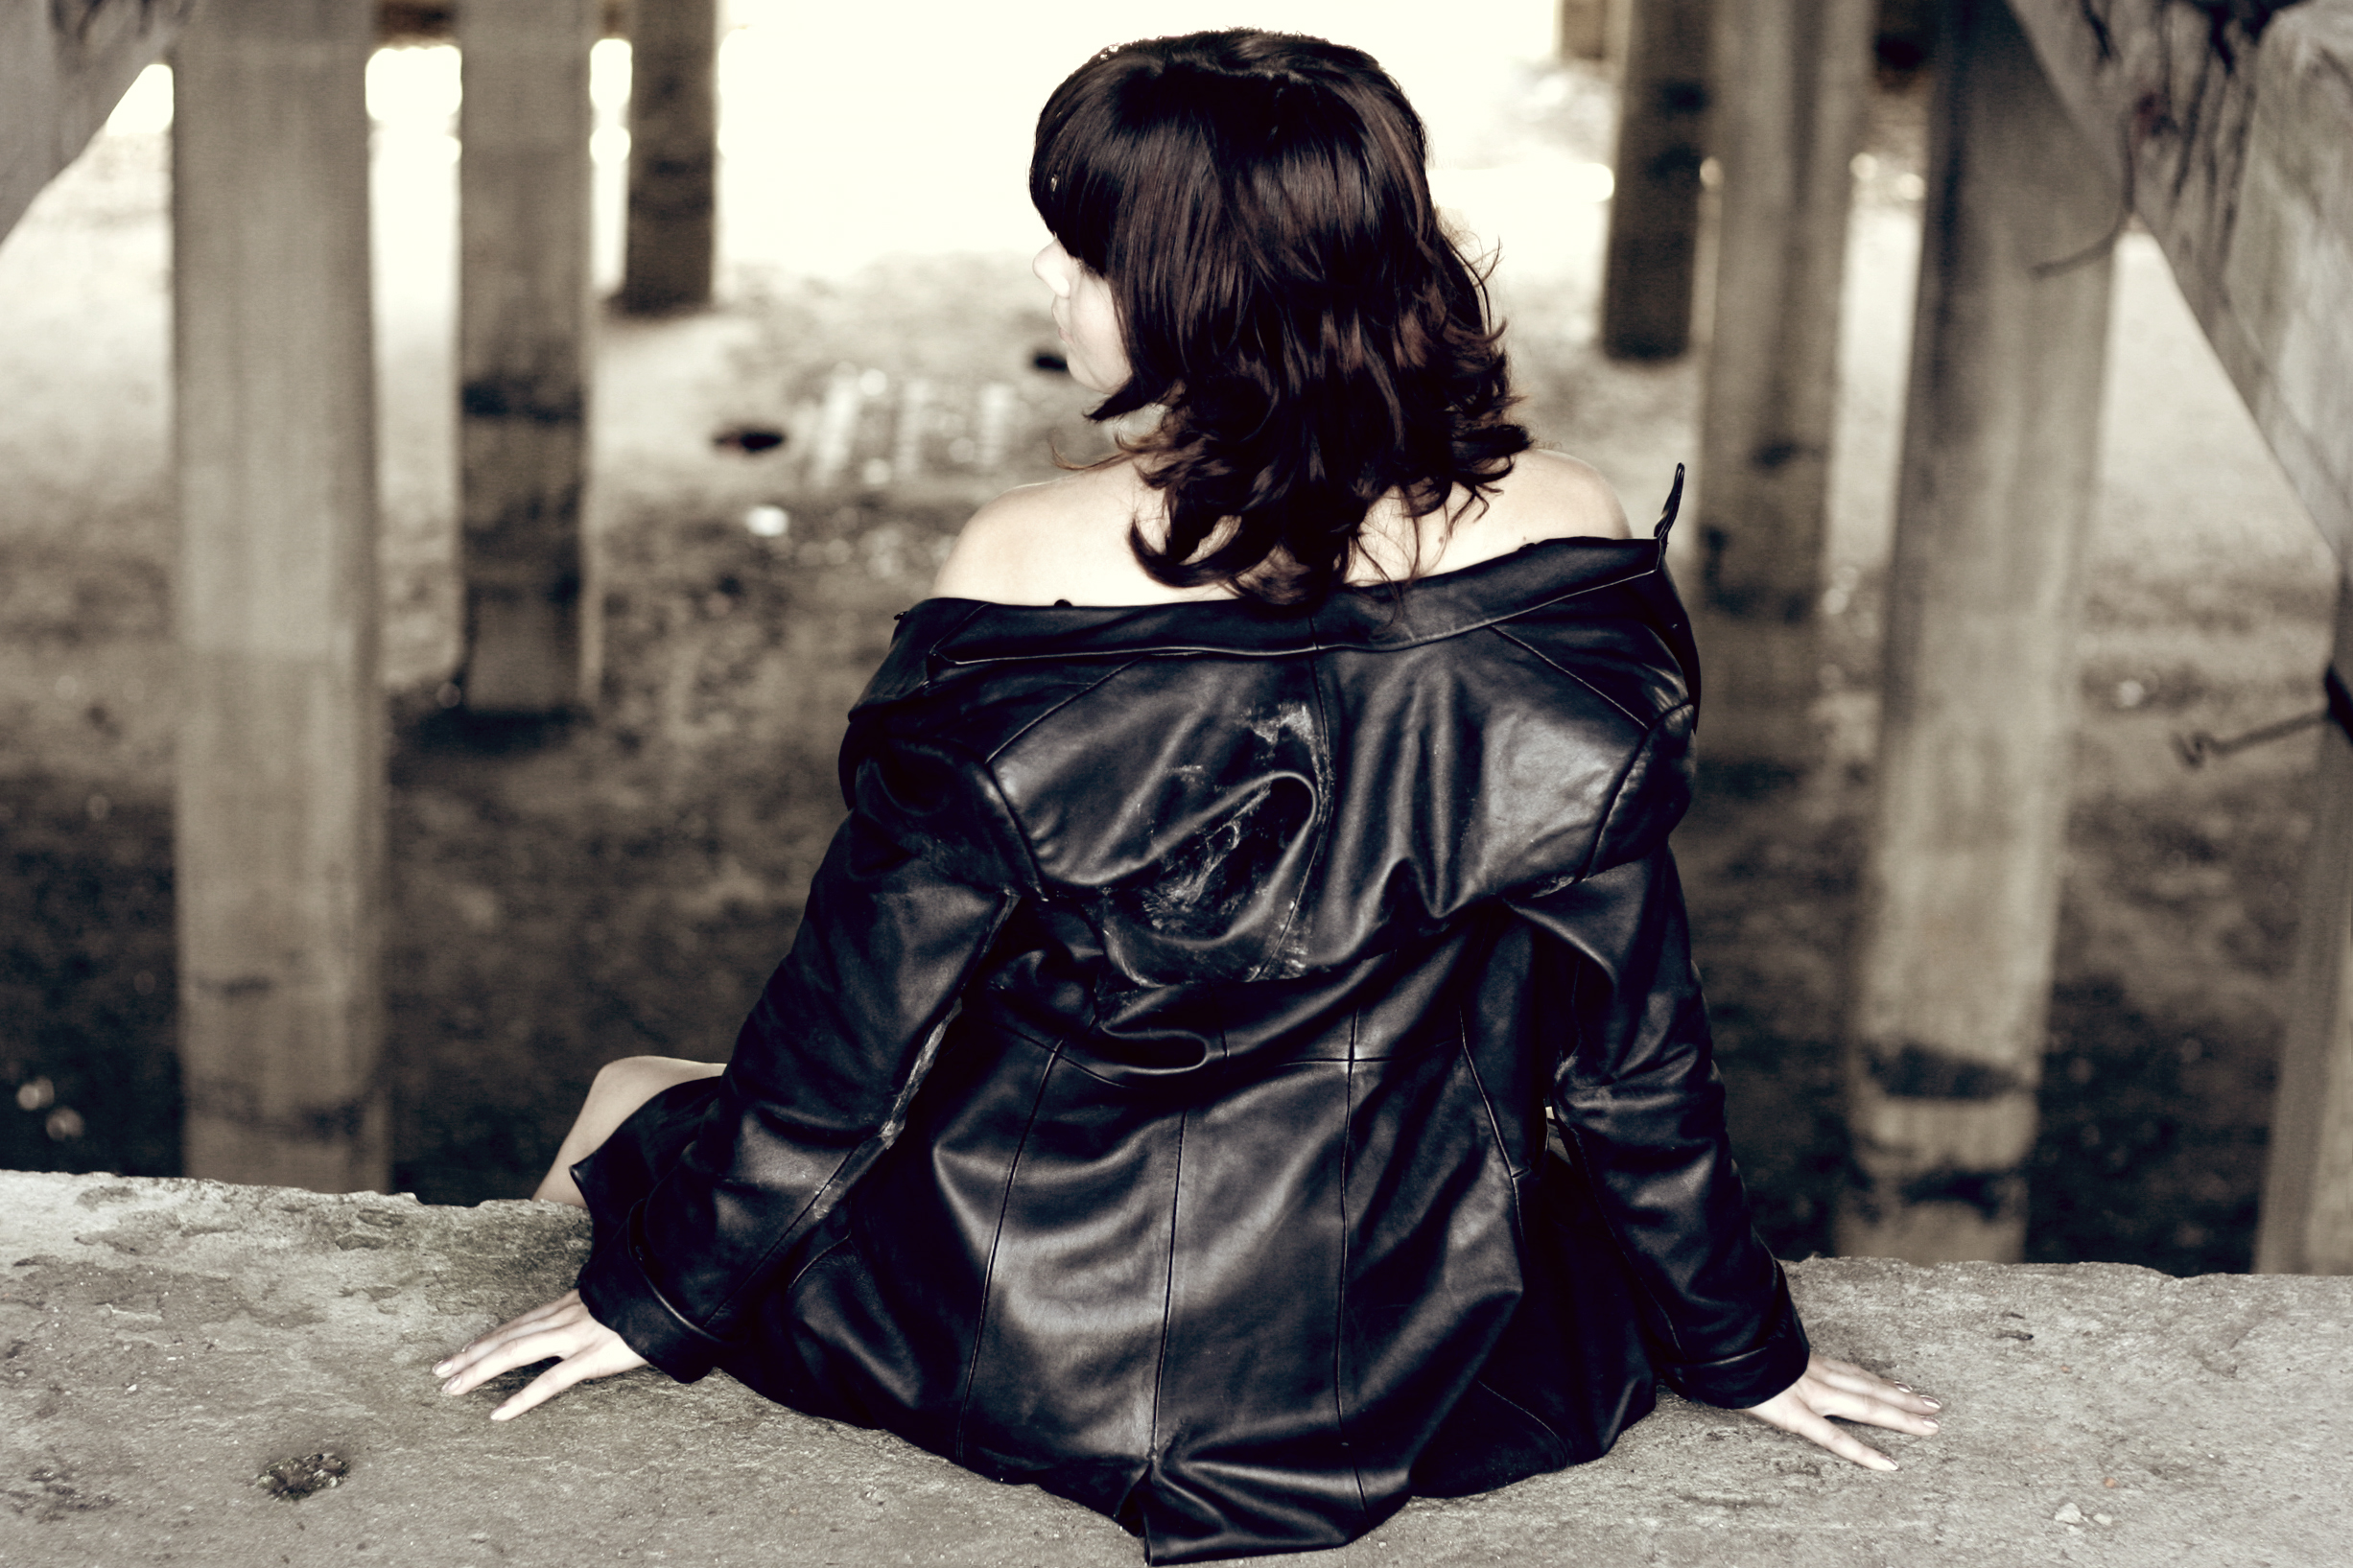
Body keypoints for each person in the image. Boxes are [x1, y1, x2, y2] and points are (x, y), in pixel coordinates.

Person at [432, 29, 1939, 1563]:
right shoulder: (1564, 527)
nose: (1047, 274)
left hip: (1028, 1310)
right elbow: (1628, 1047)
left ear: (1187, 293)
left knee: (628, 1094)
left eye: (1085, 251)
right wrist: (1744, 1349)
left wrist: (657, 1300)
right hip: (1385, 1327)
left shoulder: (1022, 558)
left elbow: (853, 1032)